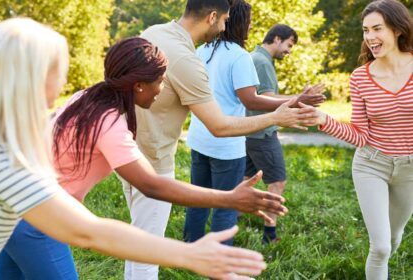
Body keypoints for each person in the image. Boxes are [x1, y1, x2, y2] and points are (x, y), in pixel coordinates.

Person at [0, 17, 271, 280]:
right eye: (159, 81)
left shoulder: (87, 98)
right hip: (39, 223)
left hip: (20, 219)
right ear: (138, 85)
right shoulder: (105, 123)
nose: (162, 89)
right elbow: (149, 188)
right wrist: (227, 202)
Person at [121, 0, 319, 278]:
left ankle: (194, 249)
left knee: (138, 241)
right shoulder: (189, 59)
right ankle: (220, 263)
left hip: (130, 151)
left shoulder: (155, 32)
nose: (227, 25)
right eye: (224, 19)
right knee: (148, 251)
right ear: (212, 16)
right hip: (155, 161)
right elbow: (222, 124)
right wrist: (278, 116)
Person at [184, 1, 325, 246]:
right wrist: (296, 100)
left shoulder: (202, 50)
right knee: (227, 205)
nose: (250, 27)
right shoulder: (239, 56)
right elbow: (251, 100)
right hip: (226, 146)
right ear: (236, 22)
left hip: (200, 136)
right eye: (248, 22)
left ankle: (189, 248)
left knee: (199, 197)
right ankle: (219, 258)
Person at [308, 0, 412, 279]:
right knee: (379, 248)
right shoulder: (361, 77)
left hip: (410, 170)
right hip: (371, 164)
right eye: (366, 30)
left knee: (392, 239)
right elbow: (359, 134)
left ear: (398, 29)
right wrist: (322, 119)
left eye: (377, 28)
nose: (370, 37)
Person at [245, 24, 325, 244]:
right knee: (278, 180)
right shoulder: (262, 61)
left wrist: (300, 98)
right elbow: (269, 100)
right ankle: (269, 235)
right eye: (289, 45)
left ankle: (232, 220)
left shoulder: (255, 57)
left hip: (250, 130)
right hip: (262, 133)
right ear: (277, 38)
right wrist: (301, 98)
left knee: (245, 179)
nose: (289, 51)